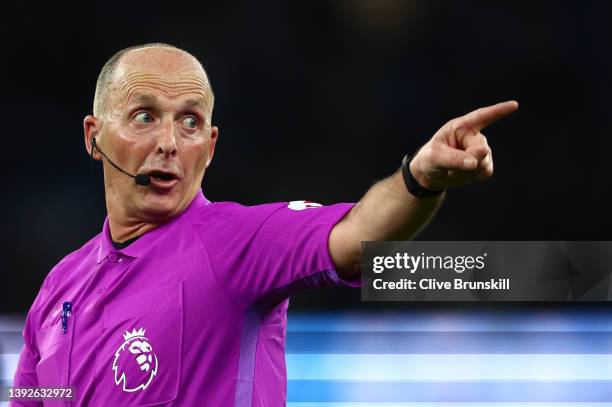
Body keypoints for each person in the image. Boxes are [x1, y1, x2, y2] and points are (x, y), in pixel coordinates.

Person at [10, 43, 517, 406]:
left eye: (189, 122)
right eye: (145, 116)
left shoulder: (235, 244)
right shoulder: (59, 289)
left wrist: (420, 178)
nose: (169, 142)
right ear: (93, 137)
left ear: (209, 148)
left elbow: (358, 237)